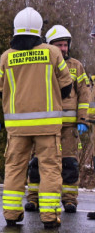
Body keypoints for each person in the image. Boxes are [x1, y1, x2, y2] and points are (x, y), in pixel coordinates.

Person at [0, 7, 73, 228]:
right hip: (48, 127)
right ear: (39, 29)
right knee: (50, 169)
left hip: (17, 127)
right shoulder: (52, 53)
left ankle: (11, 214)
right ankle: (49, 217)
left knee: (14, 168)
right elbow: (67, 87)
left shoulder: (6, 57)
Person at [24, 26, 91, 214]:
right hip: (44, 125)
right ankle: (34, 199)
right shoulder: (41, 63)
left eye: (65, 45)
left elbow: (84, 94)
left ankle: (70, 200)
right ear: (49, 45)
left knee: (69, 165)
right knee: (37, 164)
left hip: (68, 127)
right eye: (58, 44)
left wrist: (82, 119)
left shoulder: (76, 66)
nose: (63, 48)